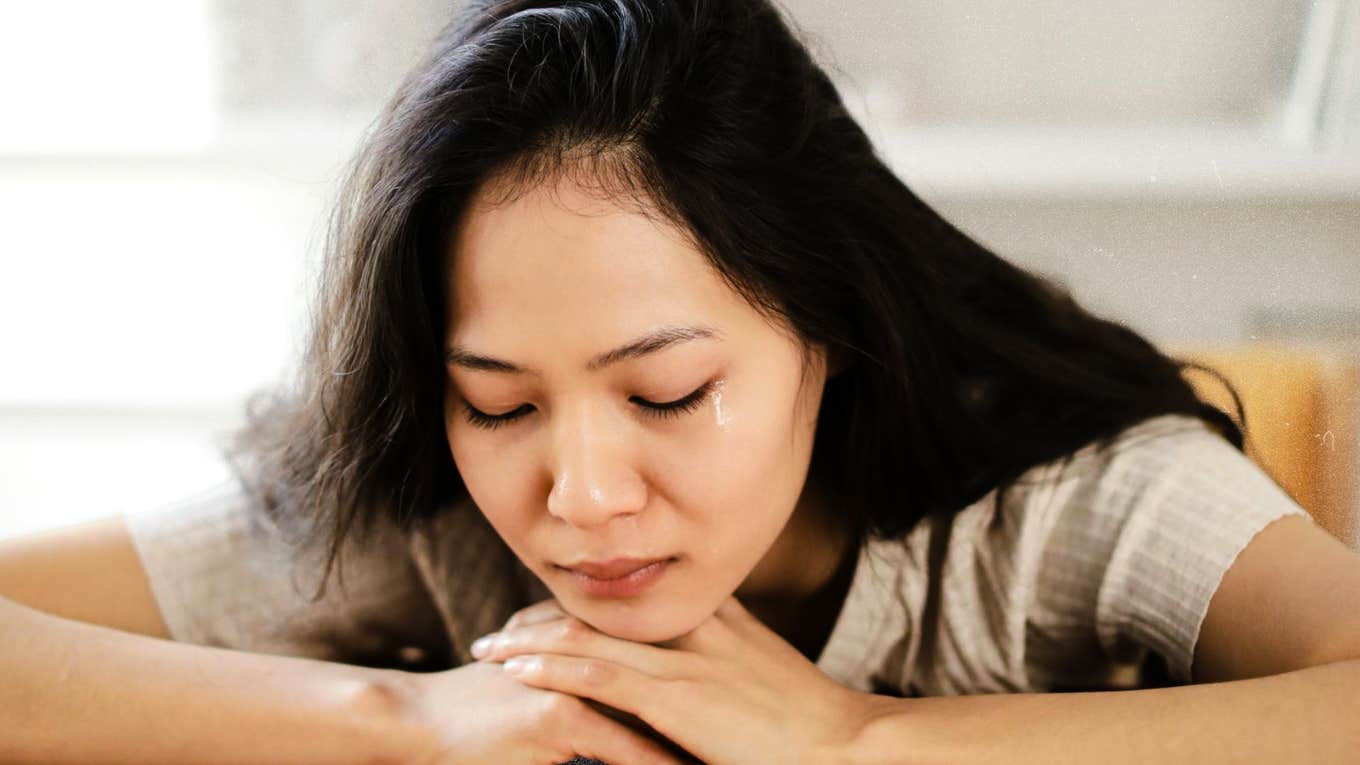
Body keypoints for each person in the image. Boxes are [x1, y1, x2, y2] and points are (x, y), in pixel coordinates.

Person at [2, 0, 1357, 763]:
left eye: (664, 393)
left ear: (829, 325)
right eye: (500, 401)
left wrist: (851, 741)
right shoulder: (428, 519)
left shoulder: (1064, 502)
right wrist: (393, 714)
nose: (580, 496)